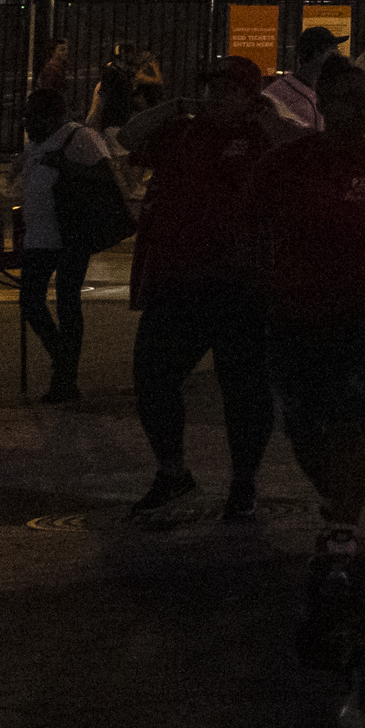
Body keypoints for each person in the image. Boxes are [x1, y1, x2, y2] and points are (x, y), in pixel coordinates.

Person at [246, 58, 365, 560]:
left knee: (354, 420)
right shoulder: (289, 163)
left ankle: (344, 524)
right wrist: (264, 280)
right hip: (295, 314)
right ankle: (337, 498)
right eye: (352, 98)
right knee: (303, 424)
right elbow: (249, 222)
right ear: (326, 105)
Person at [116, 57, 288, 520]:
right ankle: (173, 472)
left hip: (241, 281)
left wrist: (267, 123)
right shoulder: (183, 130)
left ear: (250, 96)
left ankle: (243, 482)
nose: (215, 97)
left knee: (245, 388)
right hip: (178, 278)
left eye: (228, 89)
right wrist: (170, 107)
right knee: (152, 375)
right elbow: (128, 139)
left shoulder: (263, 136)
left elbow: (298, 154)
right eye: (211, 88)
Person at [12, 85, 128, 405]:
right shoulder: (34, 144)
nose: (26, 123)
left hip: (70, 235)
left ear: (51, 117)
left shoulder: (79, 138)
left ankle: (64, 378)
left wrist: (63, 165)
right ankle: (62, 361)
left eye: (32, 116)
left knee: (66, 304)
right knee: (30, 302)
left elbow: (108, 177)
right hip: (39, 237)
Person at [260, 23, 344, 133]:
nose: (338, 55)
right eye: (332, 51)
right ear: (316, 54)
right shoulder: (278, 92)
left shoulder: (324, 89)